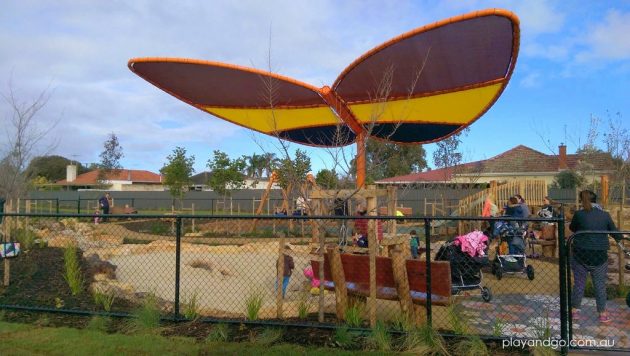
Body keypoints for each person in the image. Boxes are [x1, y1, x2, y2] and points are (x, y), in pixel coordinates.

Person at [569, 190, 623, 324]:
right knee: (600, 285)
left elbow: (573, 228)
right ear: (596, 200)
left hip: (580, 254)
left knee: (579, 284)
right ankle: (602, 314)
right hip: (599, 256)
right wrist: (620, 241)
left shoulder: (579, 214)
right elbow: (615, 232)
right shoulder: (605, 215)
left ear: (582, 201)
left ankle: (575, 312)